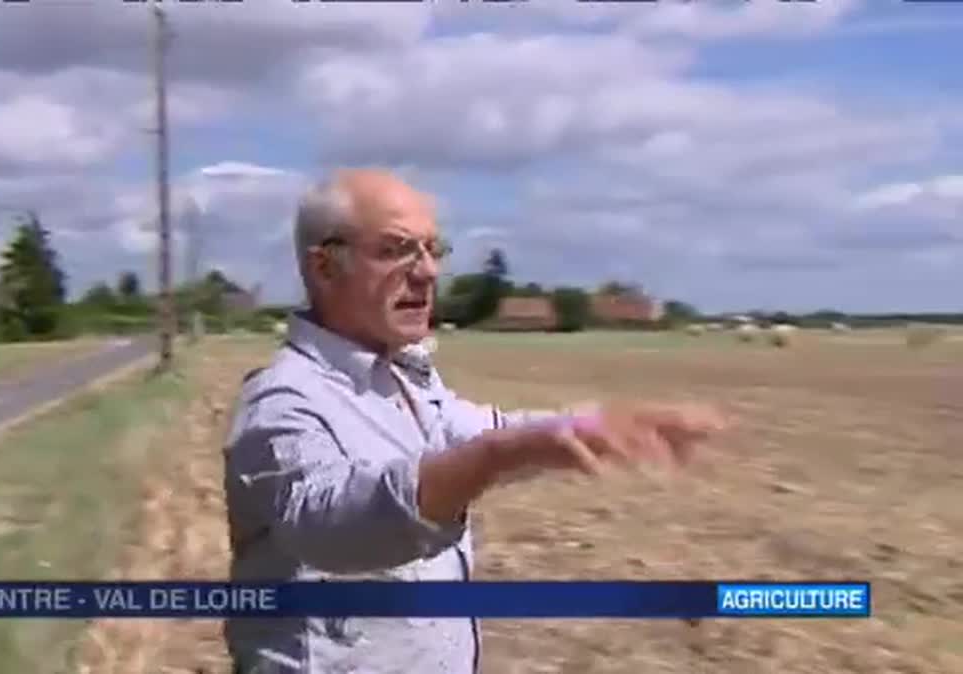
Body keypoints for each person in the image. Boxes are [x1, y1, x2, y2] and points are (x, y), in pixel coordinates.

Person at [221, 168, 729, 673]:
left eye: (431, 250)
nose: (426, 273)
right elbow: (333, 524)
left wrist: (579, 430)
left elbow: (483, 430)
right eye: (396, 249)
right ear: (325, 267)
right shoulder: (283, 401)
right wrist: (494, 458)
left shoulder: (404, 381)